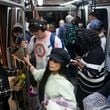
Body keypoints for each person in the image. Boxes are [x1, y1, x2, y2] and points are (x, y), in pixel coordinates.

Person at [21, 19, 63, 110]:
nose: (36, 35)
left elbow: (63, 58)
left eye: (37, 33)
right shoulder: (34, 38)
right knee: (42, 94)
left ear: (43, 29)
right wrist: (25, 47)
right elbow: (28, 51)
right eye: (34, 33)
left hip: (52, 74)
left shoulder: (54, 39)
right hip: (39, 73)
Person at [72, 29, 105, 110]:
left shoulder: (95, 53)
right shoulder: (93, 48)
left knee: (85, 105)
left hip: (89, 89)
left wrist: (78, 63)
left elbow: (91, 73)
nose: (80, 45)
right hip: (87, 87)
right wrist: (81, 58)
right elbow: (90, 63)